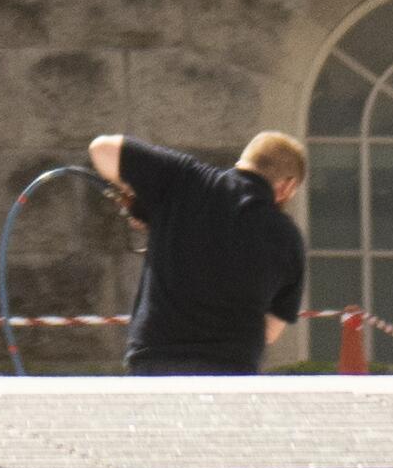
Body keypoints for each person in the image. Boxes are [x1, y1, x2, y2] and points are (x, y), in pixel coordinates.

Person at [87, 122, 319, 374]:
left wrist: (139, 198)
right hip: (232, 370)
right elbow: (271, 331)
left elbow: (102, 150)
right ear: (287, 186)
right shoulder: (288, 238)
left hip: (157, 363)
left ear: (244, 161)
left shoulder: (186, 179)